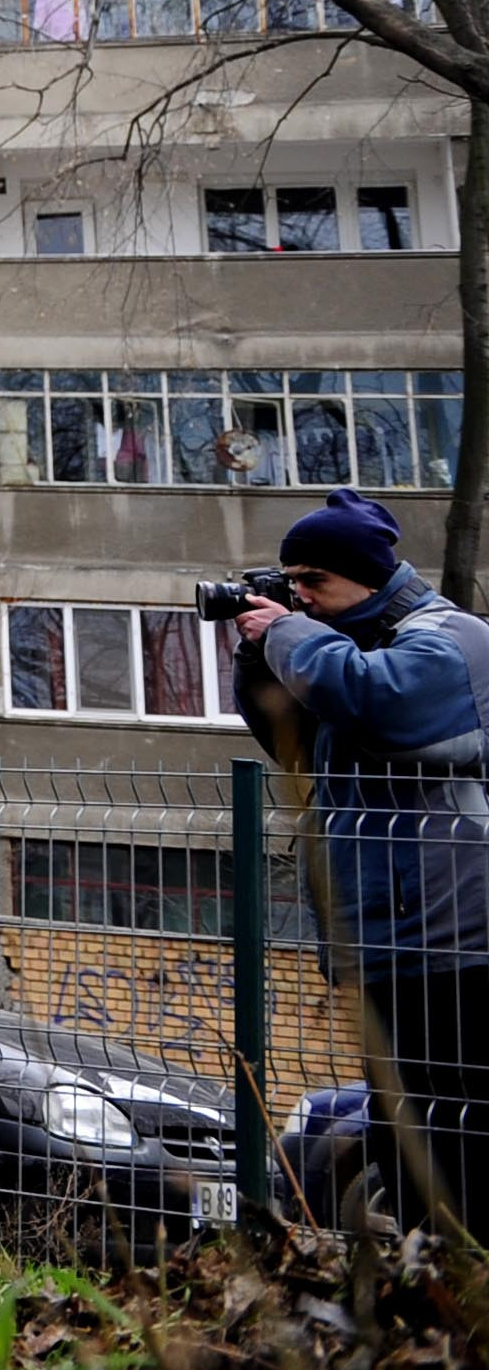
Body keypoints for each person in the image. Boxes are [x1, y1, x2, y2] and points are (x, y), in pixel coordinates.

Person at [235, 488, 489, 1232]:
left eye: (315, 582)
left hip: (459, 939)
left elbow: (386, 707)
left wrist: (287, 635)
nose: (301, 598)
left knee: (461, 1127)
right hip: (379, 942)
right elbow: (293, 740)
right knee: (400, 1133)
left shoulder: (452, 639)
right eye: (290, 585)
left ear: (370, 576)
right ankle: (425, 1288)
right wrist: (261, 655)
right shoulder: (344, 646)